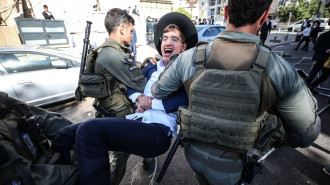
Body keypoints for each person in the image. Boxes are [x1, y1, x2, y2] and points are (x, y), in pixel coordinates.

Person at [151, 0, 321, 184]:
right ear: (264, 17)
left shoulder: (189, 58)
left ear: (225, 13)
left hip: (192, 154)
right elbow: (306, 134)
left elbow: (157, 90)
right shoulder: (278, 69)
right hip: (230, 166)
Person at [54, 12, 198, 185]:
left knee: (90, 129)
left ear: (183, 48)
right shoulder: (152, 67)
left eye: (174, 39)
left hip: (158, 130)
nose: (167, 42)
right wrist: (140, 98)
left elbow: (186, 98)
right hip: (137, 120)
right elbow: (130, 85)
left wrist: (152, 103)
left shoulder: (186, 70)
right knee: (65, 134)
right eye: (165, 38)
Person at [305, 20, 330, 90]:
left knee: (326, 75)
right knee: (312, 74)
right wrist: (326, 50)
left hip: (328, 61)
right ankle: (303, 88)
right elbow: (315, 48)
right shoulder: (323, 35)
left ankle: (312, 85)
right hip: (320, 58)